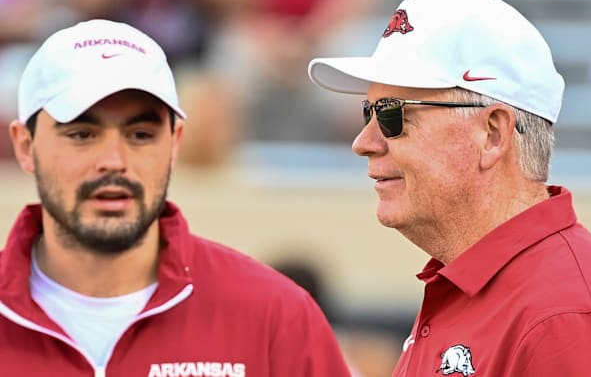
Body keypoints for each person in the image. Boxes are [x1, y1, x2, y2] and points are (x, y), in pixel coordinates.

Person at [308, 0, 591, 376]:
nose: (364, 143)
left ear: (493, 134)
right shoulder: (497, 288)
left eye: (393, 116)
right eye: (369, 113)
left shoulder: (566, 313)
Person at [0, 19, 351, 376]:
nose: (113, 162)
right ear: (25, 147)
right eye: (81, 134)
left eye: (140, 134)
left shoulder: (275, 316)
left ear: (175, 143)